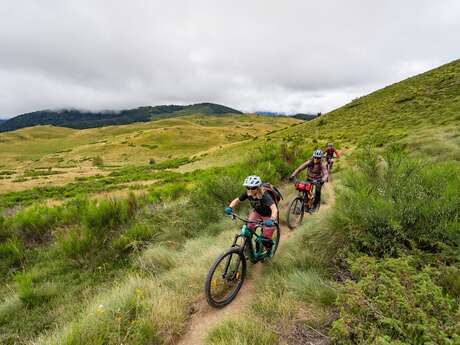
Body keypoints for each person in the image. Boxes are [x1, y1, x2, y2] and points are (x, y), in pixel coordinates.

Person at [225, 175, 278, 255]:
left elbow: (274, 209)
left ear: (258, 187)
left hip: (268, 215)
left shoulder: (264, 195)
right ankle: (249, 247)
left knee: (266, 238)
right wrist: (230, 207)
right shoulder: (247, 193)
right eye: (248, 187)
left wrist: (272, 219)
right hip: (257, 212)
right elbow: (237, 200)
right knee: (248, 228)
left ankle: (269, 250)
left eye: (253, 188)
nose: (250, 190)